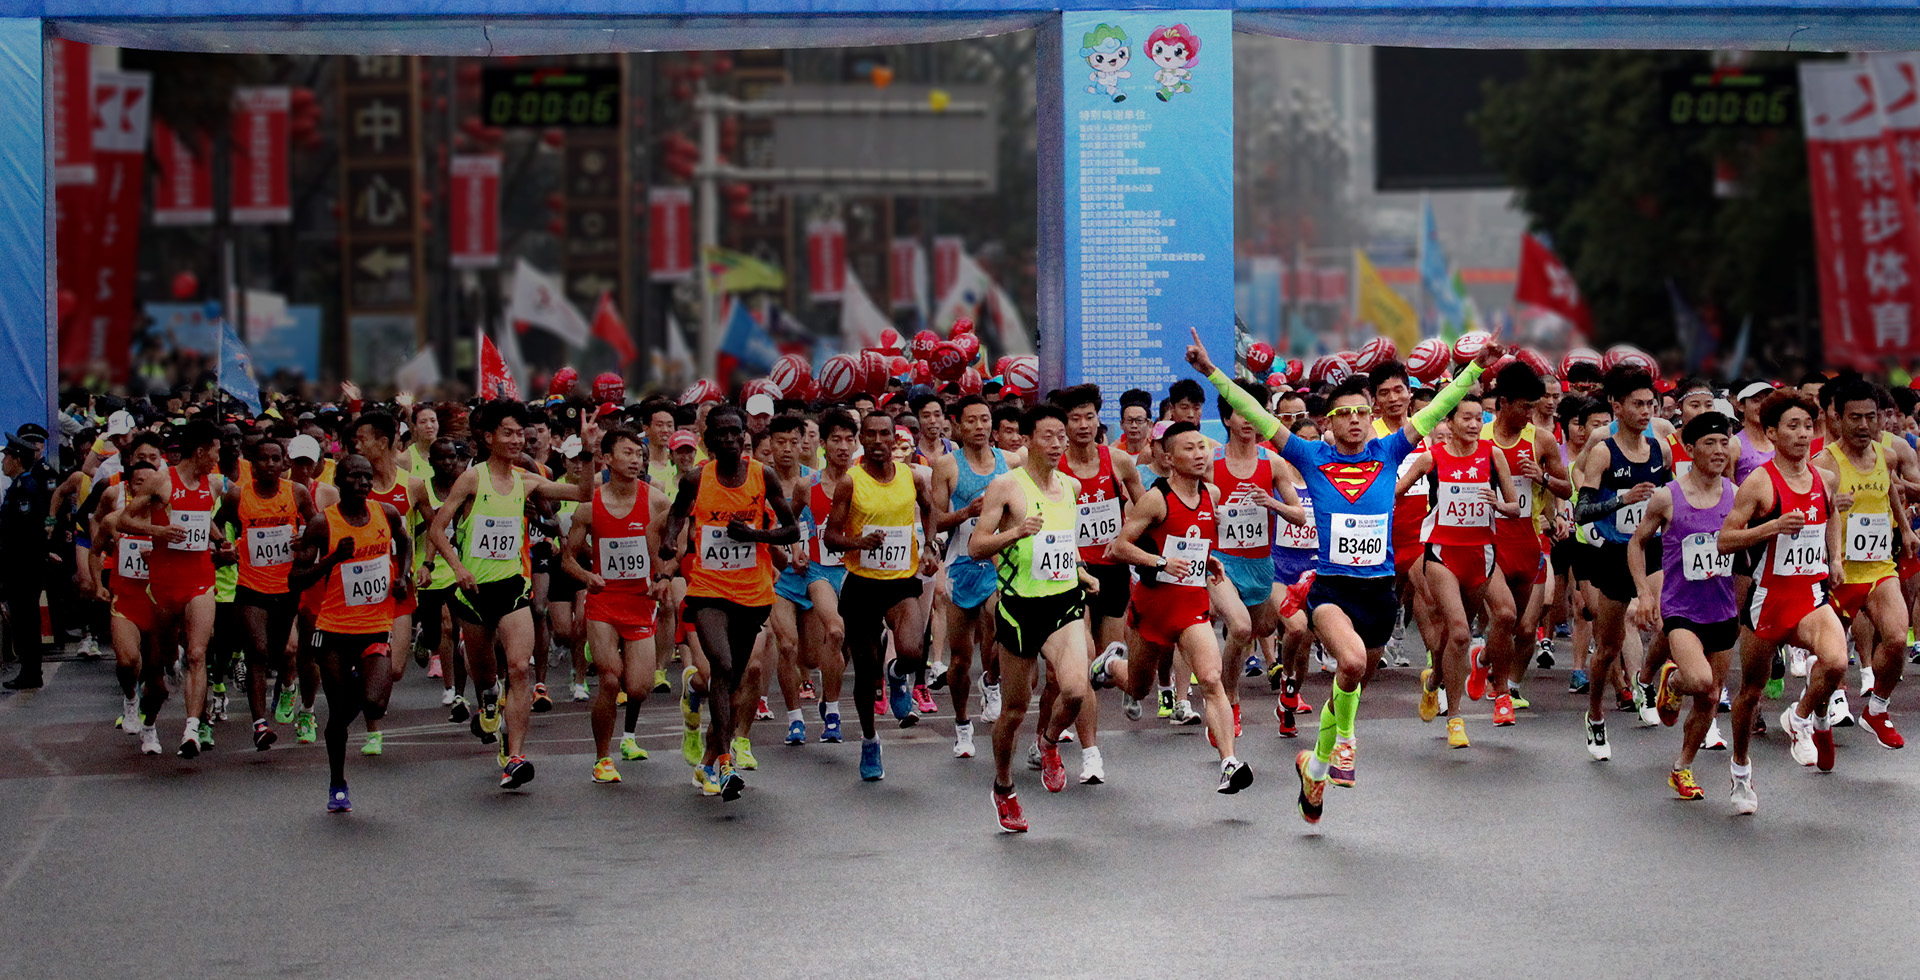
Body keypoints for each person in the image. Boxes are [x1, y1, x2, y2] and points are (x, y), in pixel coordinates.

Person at [1183, 328, 1499, 825]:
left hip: (1378, 593)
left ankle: (1317, 765)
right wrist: (1212, 374)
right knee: (1348, 663)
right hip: (1332, 590)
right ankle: (1348, 743)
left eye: (1361, 412)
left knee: (1348, 686)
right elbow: (1261, 416)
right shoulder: (1310, 457)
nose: (1354, 421)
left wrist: (1477, 367)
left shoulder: (1391, 451)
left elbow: (1439, 408)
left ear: (1372, 417)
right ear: (1328, 422)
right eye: (1343, 414)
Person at [425, 399, 592, 791]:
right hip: (473, 593)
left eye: (521, 433)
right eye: (509, 433)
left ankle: (514, 756)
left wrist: (587, 449)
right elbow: (437, 529)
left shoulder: (527, 480)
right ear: (488, 438)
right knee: (486, 674)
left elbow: (582, 493)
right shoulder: (472, 479)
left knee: (519, 667)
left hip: (513, 588)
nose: (518, 440)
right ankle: (487, 698)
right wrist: (459, 568)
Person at [1088, 418, 1250, 794]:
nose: (1199, 454)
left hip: (1192, 605)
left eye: (1202, 446)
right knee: (1139, 687)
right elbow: (1119, 547)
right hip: (1152, 608)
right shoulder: (1156, 498)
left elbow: (1194, 541)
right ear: (1168, 457)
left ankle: (1229, 762)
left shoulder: (1211, 493)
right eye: (1188, 448)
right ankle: (1110, 664)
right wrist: (1161, 563)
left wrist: (1207, 560)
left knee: (1211, 680)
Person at [658, 404, 800, 799]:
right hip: (706, 588)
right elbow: (675, 515)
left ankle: (707, 760)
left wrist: (755, 536)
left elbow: (789, 531)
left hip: (752, 593)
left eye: (734, 433)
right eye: (719, 434)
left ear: (744, 438)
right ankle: (725, 762)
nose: (727, 440)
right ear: (708, 440)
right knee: (720, 664)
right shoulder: (696, 478)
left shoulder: (762, 475)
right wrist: (670, 541)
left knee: (731, 681)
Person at [1719, 390, 1847, 812]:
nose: (1802, 434)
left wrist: (1834, 558)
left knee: (1836, 662)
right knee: (1751, 692)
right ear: (1771, 432)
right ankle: (1740, 770)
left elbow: (1831, 518)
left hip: (1810, 593)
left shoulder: (1825, 478)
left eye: (1808, 426)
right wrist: (1771, 526)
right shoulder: (1759, 482)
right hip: (1767, 599)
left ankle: (1800, 716)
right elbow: (1725, 541)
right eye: (1792, 426)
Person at [969, 404, 1092, 831]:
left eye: (1063, 435)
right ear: (1026, 440)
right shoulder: (1006, 486)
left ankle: (1050, 741)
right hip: (1020, 608)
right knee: (1015, 709)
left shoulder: (1071, 488)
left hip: (1064, 602)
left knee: (1075, 690)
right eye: (1049, 436)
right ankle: (1003, 786)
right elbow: (976, 547)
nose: (1058, 443)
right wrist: (1015, 532)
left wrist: (1079, 570)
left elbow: (1062, 544)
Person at [823, 410, 942, 782]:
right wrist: (858, 542)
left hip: (900, 578)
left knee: (911, 651)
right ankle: (870, 740)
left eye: (884, 435)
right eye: (870, 435)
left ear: (896, 440)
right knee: (864, 671)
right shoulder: (850, 482)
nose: (877, 441)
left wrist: (930, 547)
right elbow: (830, 536)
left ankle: (897, 675)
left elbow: (930, 511)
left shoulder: (913, 477)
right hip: (862, 583)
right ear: (862, 440)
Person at [1399, 389, 1521, 747]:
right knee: (1460, 633)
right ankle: (1455, 719)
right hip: (1442, 554)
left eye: (1477, 418)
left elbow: (1515, 508)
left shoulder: (1492, 455)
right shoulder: (1431, 459)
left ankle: (1435, 680)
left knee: (1457, 636)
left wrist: (1498, 504)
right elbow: (1396, 492)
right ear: (1448, 423)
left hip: (1481, 555)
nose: (1472, 424)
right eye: (1464, 418)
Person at [288, 454, 410, 813]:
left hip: (375, 625)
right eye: (355, 477)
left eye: (368, 477)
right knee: (339, 714)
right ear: (340, 481)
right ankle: (337, 782)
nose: (363, 483)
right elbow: (295, 579)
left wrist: (402, 576)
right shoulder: (322, 524)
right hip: (334, 630)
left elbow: (405, 543)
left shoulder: (385, 514)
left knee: (375, 703)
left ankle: (354, 694)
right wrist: (332, 560)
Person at [1628, 412, 1741, 800]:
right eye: (1710, 443)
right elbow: (1636, 543)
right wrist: (1644, 593)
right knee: (1700, 681)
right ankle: (1672, 682)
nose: (1719, 451)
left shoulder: (1736, 494)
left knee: (1710, 700)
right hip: (1681, 610)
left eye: (1724, 443)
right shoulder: (1667, 496)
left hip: (1724, 610)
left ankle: (1683, 768)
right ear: (1689, 449)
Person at [1570, 366, 1671, 761]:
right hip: (1614, 553)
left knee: (1668, 622)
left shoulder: (1659, 449)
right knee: (1608, 648)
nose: (1646, 411)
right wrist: (1621, 501)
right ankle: (1595, 715)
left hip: (1652, 548)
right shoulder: (1603, 452)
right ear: (1617, 406)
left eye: (1651, 404)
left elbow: (1664, 498)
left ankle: (1645, 680)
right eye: (1637, 404)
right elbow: (1581, 513)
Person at [560, 427, 671, 783]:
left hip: (640, 601)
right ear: (606, 458)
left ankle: (626, 718)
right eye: (627, 453)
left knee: (638, 687)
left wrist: (664, 576)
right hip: (604, 600)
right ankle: (602, 759)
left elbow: (677, 544)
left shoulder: (656, 501)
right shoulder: (588, 507)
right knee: (610, 680)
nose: (635, 460)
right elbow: (568, 559)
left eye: (638, 454)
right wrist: (586, 576)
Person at [1812, 377, 1917, 748]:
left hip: (1877, 567)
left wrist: (1904, 528)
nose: (1863, 426)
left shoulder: (1886, 455)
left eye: (1870, 417)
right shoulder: (1824, 464)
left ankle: (1877, 708)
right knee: (1832, 663)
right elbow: (1808, 513)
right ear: (1836, 418)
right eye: (1854, 417)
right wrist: (1827, 511)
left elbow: (1888, 488)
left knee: (1895, 637)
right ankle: (1819, 717)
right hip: (1837, 573)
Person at [213, 435, 316, 750]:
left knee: (278, 653)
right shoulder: (237, 496)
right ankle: (260, 725)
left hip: (286, 588)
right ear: (252, 464)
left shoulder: (296, 493)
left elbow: (318, 527)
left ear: (284, 463)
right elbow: (212, 524)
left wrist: (303, 542)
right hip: (250, 587)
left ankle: (286, 684)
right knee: (257, 652)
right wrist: (223, 546)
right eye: (263, 459)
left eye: (275, 459)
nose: (269, 465)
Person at [929, 394, 1011, 761]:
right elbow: (935, 520)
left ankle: (992, 680)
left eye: (985, 420)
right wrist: (967, 512)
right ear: (958, 425)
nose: (980, 427)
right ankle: (962, 722)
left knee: (1000, 628)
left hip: (997, 563)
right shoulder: (947, 465)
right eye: (972, 421)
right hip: (962, 563)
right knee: (960, 659)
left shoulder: (1010, 462)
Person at [0, 435, 52, 689]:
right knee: (23, 620)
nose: (3, 462)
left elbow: (25, 533)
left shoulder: (25, 489)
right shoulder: (19, 486)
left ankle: (31, 673)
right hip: (20, 566)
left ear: (17, 460)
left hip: (23, 567)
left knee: (26, 620)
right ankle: (29, 671)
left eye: (7, 457)